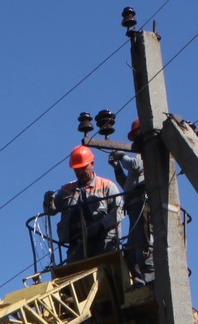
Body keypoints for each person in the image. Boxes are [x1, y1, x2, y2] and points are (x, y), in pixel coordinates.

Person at [52, 145, 123, 263]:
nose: (80, 172)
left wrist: (101, 225)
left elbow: (120, 211)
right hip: (77, 244)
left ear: (92, 164)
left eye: (83, 168)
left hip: (104, 242)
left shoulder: (106, 186)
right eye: (76, 169)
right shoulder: (67, 189)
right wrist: (48, 201)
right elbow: (51, 210)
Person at [110, 120, 152, 283]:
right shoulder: (140, 155)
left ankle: (147, 275)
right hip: (134, 203)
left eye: (137, 134)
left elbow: (135, 166)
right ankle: (138, 276)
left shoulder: (147, 151)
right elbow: (127, 184)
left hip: (143, 202)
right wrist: (117, 168)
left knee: (142, 240)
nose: (135, 138)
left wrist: (121, 155)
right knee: (133, 245)